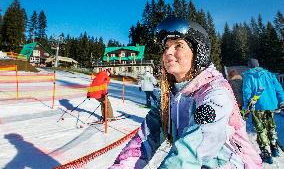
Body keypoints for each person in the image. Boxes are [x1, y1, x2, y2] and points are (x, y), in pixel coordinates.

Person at [110, 17, 261, 168]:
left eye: (178, 45)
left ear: (198, 52)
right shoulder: (168, 97)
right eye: (166, 47)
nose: (168, 51)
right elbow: (144, 140)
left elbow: (192, 149)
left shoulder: (215, 92)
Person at [243, 58, 284, 164]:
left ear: (249, 66)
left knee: (261, 129)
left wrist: (246, 108)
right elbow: (278, 88)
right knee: (271, 126)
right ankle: (274, 148)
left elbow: (246, 92)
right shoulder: (269, 74)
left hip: (256, 105)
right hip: (271, 104)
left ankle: (267, 154)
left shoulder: (248, 76)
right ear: (258, 65)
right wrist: (281, 101)